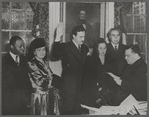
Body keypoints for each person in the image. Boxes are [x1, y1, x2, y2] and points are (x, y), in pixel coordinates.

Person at [52, 23, 89, 115]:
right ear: (73, 36)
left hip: (81, 87)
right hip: (69, 87)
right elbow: (54, 54)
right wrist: (57, 38)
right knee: (68, 111)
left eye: (84, 36)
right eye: (80, 37)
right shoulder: (66, 47)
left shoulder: (85, 48)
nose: (83, 39)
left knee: (79, 111)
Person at [27, 38, 61, 115]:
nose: (42, 52)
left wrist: (59, 79)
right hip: (39, 96)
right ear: (34, 52)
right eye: (39, 50)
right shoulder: (32, 63)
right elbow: (39, 81)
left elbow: (50, 75)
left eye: (43, 50)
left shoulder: (45, 62)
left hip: (47, 94)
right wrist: (53, 80)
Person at [82, 38, 118, 108]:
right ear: (96, 48)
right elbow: (88, 77)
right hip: (94, 88)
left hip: (108, 88)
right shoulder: (90, 59)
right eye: (100, 48)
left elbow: (113, 74)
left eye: (104, 48)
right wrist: (97, 86)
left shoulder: (111, 59)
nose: (103, 50)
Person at [2, 36, 32, 115]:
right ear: (12, 47)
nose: (23, 48)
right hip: (9, 103)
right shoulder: (3, 61)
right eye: (20, 46)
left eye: (23, 46)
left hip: (24, 102)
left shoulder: (25, 60)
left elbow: (27, 80)